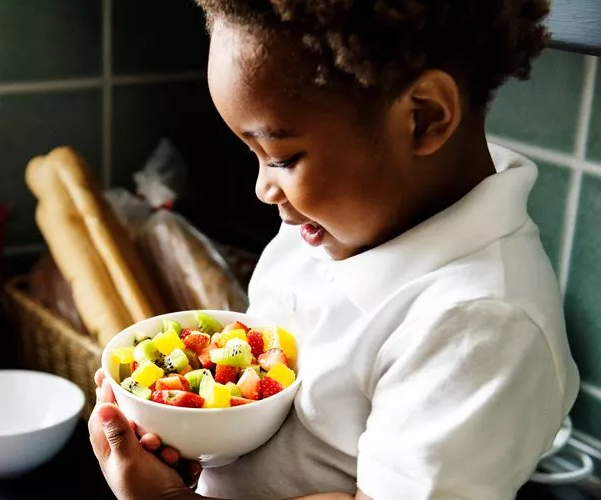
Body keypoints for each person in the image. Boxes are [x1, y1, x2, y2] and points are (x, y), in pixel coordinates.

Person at [88, 0, 580, 498]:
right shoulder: (331, 223)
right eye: (254, 154)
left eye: (282, 157)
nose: (263, 187)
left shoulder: (480, 326)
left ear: (423, 118)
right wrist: (193, 438)